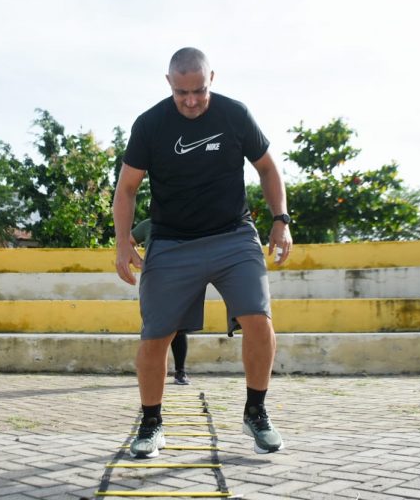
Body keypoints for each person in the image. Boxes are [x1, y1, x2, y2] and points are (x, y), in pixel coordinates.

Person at [113, 47, 293, 458]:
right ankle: (151, 423)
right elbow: (127, 189)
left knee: (259, 320)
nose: (191, 101)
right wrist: (123, 241)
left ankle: (256, 412)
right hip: (172, 242)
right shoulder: (150, 124)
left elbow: (267, 167)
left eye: (199, 91)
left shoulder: (234, 114)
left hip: (233, 236)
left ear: (212, 79)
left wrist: (280, 219)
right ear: (169, 84)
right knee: (155, 336)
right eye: (182, 93)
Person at [131, 218, 191, 386]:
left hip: (180, 279)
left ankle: (180, 372)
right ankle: (149, 373)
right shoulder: (148, 224)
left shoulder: (186, 221)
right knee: (152, 328)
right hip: (154, 281)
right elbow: (127, 242)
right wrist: (139, 260)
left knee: (179, 328)